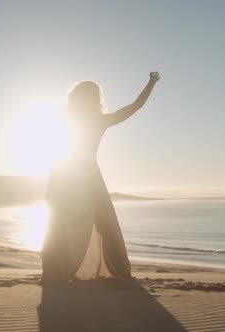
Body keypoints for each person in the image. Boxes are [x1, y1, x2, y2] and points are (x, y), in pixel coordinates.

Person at [41, 72, 161, 283]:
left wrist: (150, 84)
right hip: (81, 176)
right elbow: (133, 107)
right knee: (97, 224)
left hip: (68, 175)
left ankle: (57, 272)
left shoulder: (78, 121)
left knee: (65, 223)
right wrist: (151, 83)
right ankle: (62, 271)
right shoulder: (93, 121)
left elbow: (133, 107)